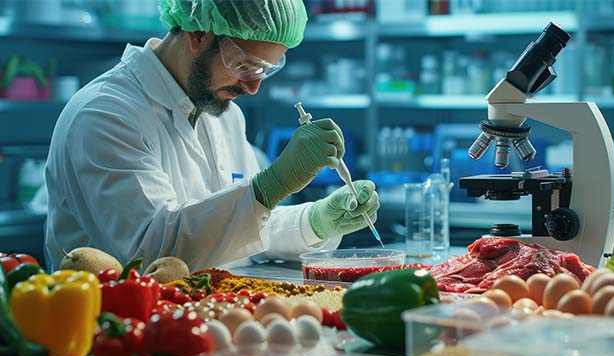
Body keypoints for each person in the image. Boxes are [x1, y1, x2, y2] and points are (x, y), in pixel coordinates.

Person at [45, 0, 380, 271]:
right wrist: (272, 184)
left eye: (266, 69)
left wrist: (315, 221)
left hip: (200, 315)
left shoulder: (221, 113)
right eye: (245, 65)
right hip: (116, 331)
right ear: (198, 33)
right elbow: (152, 256)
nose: (253, 87)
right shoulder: (106, 114)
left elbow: (240, 228)